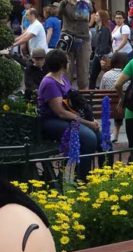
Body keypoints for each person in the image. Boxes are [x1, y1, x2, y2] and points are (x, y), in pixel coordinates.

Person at [38, 49, 100, 177]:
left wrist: (90, 119)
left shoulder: (63, 78)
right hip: (52, 121)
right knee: (89, 138)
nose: (70, 62)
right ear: (62, 64)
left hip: (67, 118)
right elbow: (60, 112)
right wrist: (87, 123)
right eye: (67, 61)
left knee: (99, 136)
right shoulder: (50, 83)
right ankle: (78, 177)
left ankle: (99, 172)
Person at [58, 0, 93, 89]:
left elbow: (83, 16)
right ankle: (65, 94)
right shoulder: (64, 3)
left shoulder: (85, 2)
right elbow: (58, 14)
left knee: (83, 70)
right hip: (67, 38)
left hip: (83, 38)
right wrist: (65, 3)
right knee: (66, 68)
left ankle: (83, 96)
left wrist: (77, 4)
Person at [100, 51, 128, 142]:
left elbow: (101, 91)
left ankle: (115, 134)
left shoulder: (106, 75)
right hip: (127, 108)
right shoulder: (128, 75)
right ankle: (117, 133)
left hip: (110, 108)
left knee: (113, 102)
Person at [89, 10, 112, 89]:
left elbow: (104, 45)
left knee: (96, 76)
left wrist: (100, 57)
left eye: (97, 15)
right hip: (98, 55)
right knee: (93, 76)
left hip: (102, 56)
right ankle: (91, 93)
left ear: (102, 18)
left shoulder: (104, 29)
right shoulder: (99, 28)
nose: (95, 17)